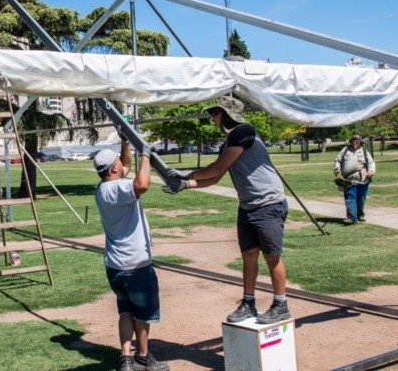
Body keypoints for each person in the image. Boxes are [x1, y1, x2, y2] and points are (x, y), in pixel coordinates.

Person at [163, 96, 291, 325]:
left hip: (268, 203)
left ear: (226, 113)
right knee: (249, 255)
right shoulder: (229, 142)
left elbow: (218, 167)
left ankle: (281, 304)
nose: (212, 117)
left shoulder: (243, 132)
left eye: (215, 112)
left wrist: (187, 174)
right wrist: (186, 185)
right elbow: (216, 177)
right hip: (249, 205)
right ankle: (248, 303)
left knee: (272, 256)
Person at [93, 136, 169, 371]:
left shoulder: (103, 188)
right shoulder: (121, 188)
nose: (122, 164)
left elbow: (125, 167)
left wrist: (125, 143)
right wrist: (145, 154)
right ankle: (143, 357)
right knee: (142, 314)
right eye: (118, 161)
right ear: (114, 168)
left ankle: (126, 358)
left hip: (115, 266)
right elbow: (142, 184)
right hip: (135, 265)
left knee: (125, 311)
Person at [333, 134, 376, 225]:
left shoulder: (364, 151)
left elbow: (371, 162)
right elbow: (338, 160)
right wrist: (337, 168)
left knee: (361, 198)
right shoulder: (345, 150)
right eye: (353, 140)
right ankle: (352, 217)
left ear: (360, 142)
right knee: (350, 197)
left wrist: (371, 171)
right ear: (351, 141)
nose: (355, 142)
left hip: (363, 179)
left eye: (357, 140)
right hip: (348, 180)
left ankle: (360, 214)